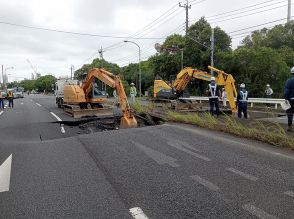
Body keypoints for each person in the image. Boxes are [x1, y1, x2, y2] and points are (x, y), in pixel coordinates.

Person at [284, 67, 294, 131]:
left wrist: (286, 98)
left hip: (291, 99)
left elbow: (286, 92)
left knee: (290, 112)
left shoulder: (289, 81)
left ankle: (290, 127)